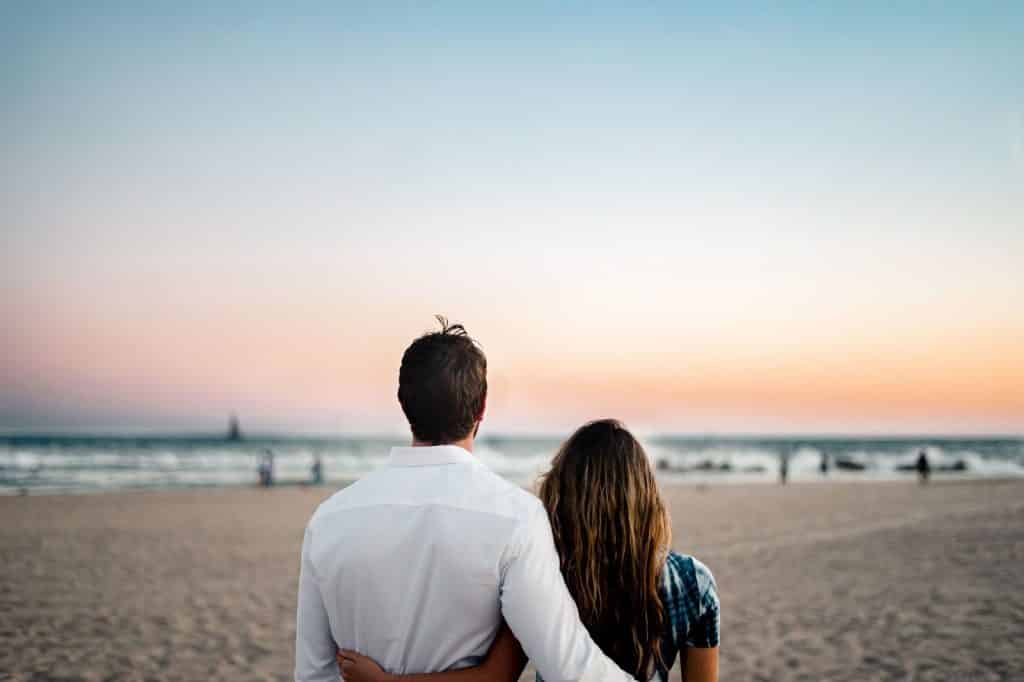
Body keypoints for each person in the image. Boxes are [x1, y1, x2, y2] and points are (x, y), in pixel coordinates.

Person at [294, 318, 635, 682]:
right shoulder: (516, 518)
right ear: (482, 407)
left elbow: (314, 674)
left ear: (403, 403)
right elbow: (570, 666)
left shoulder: (330, 519)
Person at [336, 420, 720, 682]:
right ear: (645, 496)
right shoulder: (694, 582)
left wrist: (386, 681)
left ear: (564, 494)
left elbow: (494, 677)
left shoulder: (546, 572)